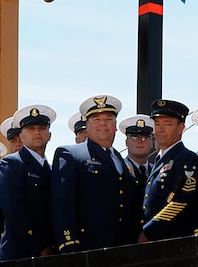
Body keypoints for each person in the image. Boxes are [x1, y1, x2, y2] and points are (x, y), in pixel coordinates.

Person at [51, 95, 141, 252]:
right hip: (88, 247)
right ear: (87, 125)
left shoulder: (120, 160)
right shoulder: (71, 154)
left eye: (108, 119)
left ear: (115, 125)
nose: (103, 124)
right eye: (96, 119)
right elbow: (62, 204)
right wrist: (69, 243)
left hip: (123, 246)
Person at [0, 104, 57, 261]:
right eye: (30, 128)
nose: (37, 132)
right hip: (20, 253)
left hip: (49, 252)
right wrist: (41, 246)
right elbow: (15, 210)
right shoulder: (11, 163)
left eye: (42, 128)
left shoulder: (52, 168)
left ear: (49, 135)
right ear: (21, 136)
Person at [140, 99, 198, 241]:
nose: (160, 129)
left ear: (181, 128)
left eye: (167, 124)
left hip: (173, 240)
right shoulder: (159, 159)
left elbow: (181, 202)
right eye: (157, 124)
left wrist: (147, 232)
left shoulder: (187, 159)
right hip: (154, 241)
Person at [120, 114, 156, 187]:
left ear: (152, 143)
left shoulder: (156, 172)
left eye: (145, 138)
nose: (139, 141)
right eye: (134, 137)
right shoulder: (119, 169)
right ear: (126, 142)